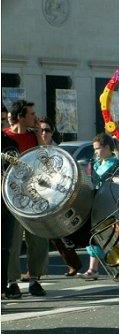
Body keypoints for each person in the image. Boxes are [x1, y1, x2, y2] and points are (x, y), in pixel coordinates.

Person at [4, 100, 49, 297]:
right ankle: (11, 281)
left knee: (38, 237)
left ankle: (35, 279)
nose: (35, 117)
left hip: (35, 193)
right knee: (12, 240)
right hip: (12, 195)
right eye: (31, 114)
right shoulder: (4, 137)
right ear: (20, 117)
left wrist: (39, 134)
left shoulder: (34, 136)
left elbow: (46, 159)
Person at [39, 116, 83, 277]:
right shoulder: (34, 150)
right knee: (45, 234)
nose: (43, 133)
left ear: (52, 133)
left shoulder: (59, 152)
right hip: (39, 194)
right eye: (41, 130)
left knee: (58, 232)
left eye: (47, 130)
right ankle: (37, 271)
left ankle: (73, 263)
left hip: (57, 194)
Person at [78, 133, 119, 280]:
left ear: (107, 147)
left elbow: (101, 179)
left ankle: (102, 269)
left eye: (97, 148)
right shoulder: (97, 162)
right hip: (95, 200)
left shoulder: (115, 163)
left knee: (111, 237)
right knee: (95, 234)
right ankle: (93, 269)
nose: (95, 151)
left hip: (109, 202)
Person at [1, 106, 19, 299]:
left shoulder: (9, 143)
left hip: (5, 202)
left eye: (3, 121)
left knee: (4, 248)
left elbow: (17, 173)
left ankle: (2, 287)